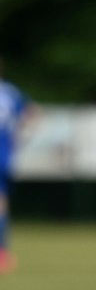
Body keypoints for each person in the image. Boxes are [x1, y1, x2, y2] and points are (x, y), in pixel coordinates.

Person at [0, 58, 32, 274]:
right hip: (4, 155)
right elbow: (33, 113)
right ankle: (2, 253)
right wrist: (18, 137)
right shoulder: (10, 92)